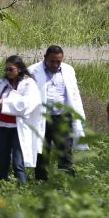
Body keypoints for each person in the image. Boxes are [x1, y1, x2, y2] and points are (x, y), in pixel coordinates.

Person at [28, 45, 87, 181]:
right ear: (45, 58)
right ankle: (41, 182)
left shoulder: (68, 70)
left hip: (63, 117)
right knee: (42, 151)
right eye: (52, 61)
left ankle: (67, 181)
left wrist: (80, 116)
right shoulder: (33, 71)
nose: (55, 64)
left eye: (58, 61)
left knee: (65, 151)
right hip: (42, 117)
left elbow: (74, 94)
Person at [0, 56, 42, 183]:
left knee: (17, 161)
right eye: (6, 69)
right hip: (2, 125)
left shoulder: (29, 84)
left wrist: (3, 102)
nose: (8, 72)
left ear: (19, 69)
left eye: (11, 69)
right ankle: (1, 186)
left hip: (18, 128)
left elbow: (26, 104)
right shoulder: (2, 82)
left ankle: (23, 189)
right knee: (2, 160)